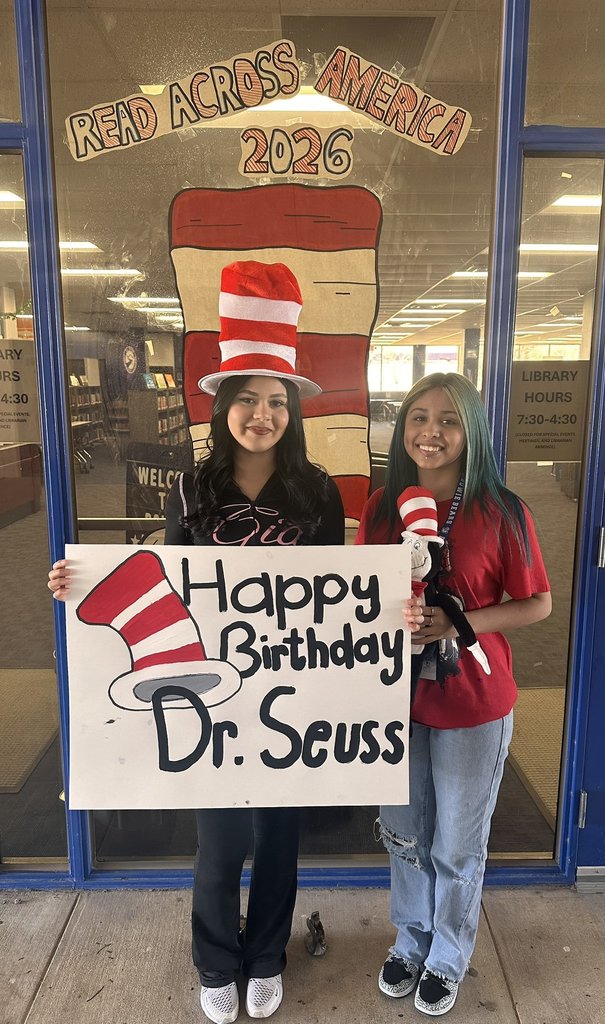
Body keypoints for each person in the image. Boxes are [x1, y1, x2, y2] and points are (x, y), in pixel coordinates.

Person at [49, 260, 345, 1024]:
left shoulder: (319, 493)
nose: (261, 414)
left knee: (279, 840)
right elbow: (166, 581)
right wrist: (80, 583)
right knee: (217, 844)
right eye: (246, 400)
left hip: (287, 696)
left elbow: (336, 603)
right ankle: (217, 959)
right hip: (208, 695)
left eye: (275, 401)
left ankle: (266, 954)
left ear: (292, 412)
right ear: (223, 410)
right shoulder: (190, 491)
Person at [355, 372, 551, 1017]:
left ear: (471, 432)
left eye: (447, 420)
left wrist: (461, 621)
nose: (430, 432)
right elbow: (361, 596)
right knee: (406, 836)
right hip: (395, 699)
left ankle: (448, 953)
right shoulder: (383, 508)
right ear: (402, 427)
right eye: (418, 417)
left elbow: (537, 603)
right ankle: (410, 939)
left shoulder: (503, 510)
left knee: (458, 845)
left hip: (473, 702)